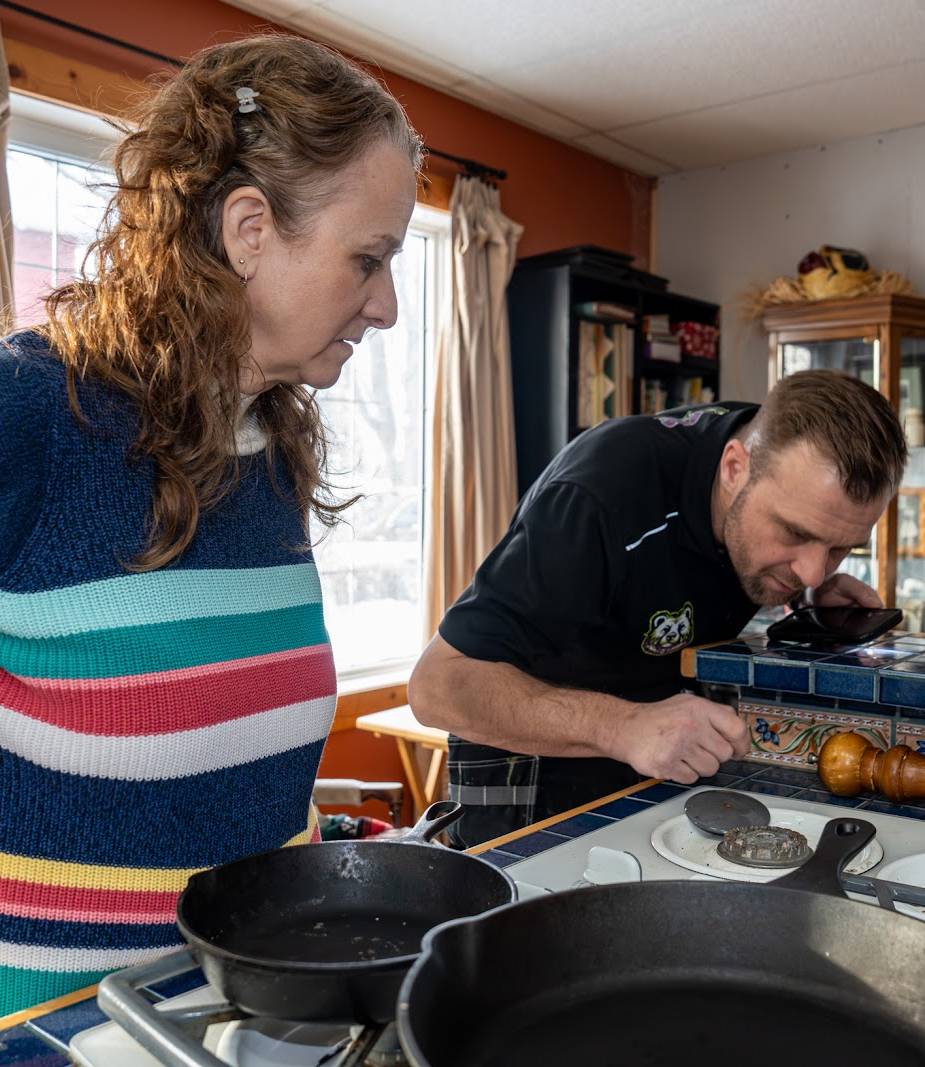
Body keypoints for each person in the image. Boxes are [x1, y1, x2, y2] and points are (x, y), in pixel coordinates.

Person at [0, 35, 420, 1014]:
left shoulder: (270, 443)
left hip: (245, 1006)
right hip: (56, 1027)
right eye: (369, 259)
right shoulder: (34, 413)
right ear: (247, 229)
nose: (389, 305)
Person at [409, 371, 907, 848]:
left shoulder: (768, 460)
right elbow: (437, 687)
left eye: (839, 548)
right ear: (736, 469)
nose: (816, 570)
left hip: (653, 754)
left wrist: (800, 595)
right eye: (796, 534)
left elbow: (798, 564)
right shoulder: (601, 494)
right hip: (525, 766)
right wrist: (620, 727)